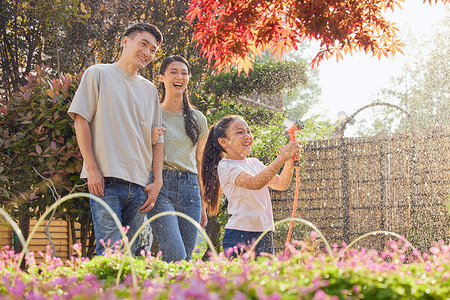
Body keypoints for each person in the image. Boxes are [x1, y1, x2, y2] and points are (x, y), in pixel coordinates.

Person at [68, 23, 164, 256]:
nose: (148, 53)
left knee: (128, 256)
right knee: (111, 253)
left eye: (153, 50)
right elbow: (80, 120)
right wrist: (91, 168)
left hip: (140, 186)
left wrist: (157, 181)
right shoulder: (98, 73)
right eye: (143, 44)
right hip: (106, 181)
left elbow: (158, 140)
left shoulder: (150, 90)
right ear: (125, 41)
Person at [201, 115, 301, 257]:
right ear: (223, 142)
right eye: (240, 132)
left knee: (265, 278)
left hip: (264, 232)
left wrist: (289, 161)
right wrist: (282, 157)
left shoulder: (254, 163)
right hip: (240, 233)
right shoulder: (226, 166)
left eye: (248, 131)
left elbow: (281, 184)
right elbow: (255, 183)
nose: (247, 136)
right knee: (242, 279)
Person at [146, 55, 208, 262]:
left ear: (188, 78)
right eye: (173, 72)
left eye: (184, 72)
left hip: (190, 189)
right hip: (160, 185)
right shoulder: (152, 113)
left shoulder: (198, 119)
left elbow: (200, 163)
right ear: (161, 78)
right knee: (175, 254)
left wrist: (203, 203)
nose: (179, 76)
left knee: (186, 258)